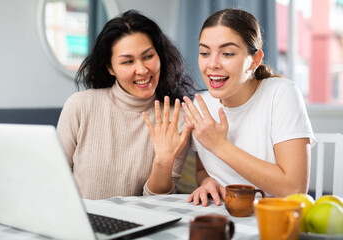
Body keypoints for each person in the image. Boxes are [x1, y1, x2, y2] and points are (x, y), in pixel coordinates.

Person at [182, 8, 315, 206]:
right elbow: (203, 171)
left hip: (271, 218)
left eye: (227, 53)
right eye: (204, 52)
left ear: (254, 60)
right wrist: (208, 181)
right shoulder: (201, 104)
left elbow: (294, 189)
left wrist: (220, 145)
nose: (212, 64)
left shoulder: (281, 93)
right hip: (223, 213)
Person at [57, 9, 195, 200]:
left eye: (148, 57)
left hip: (142, 222)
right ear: (110, 68)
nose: (142, 70)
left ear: (160, 56)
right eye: (128, 61)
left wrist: (163, 162)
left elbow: (157, 201)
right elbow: (55, 177)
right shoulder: (80, 106)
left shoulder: (176, 118)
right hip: (82, 220)